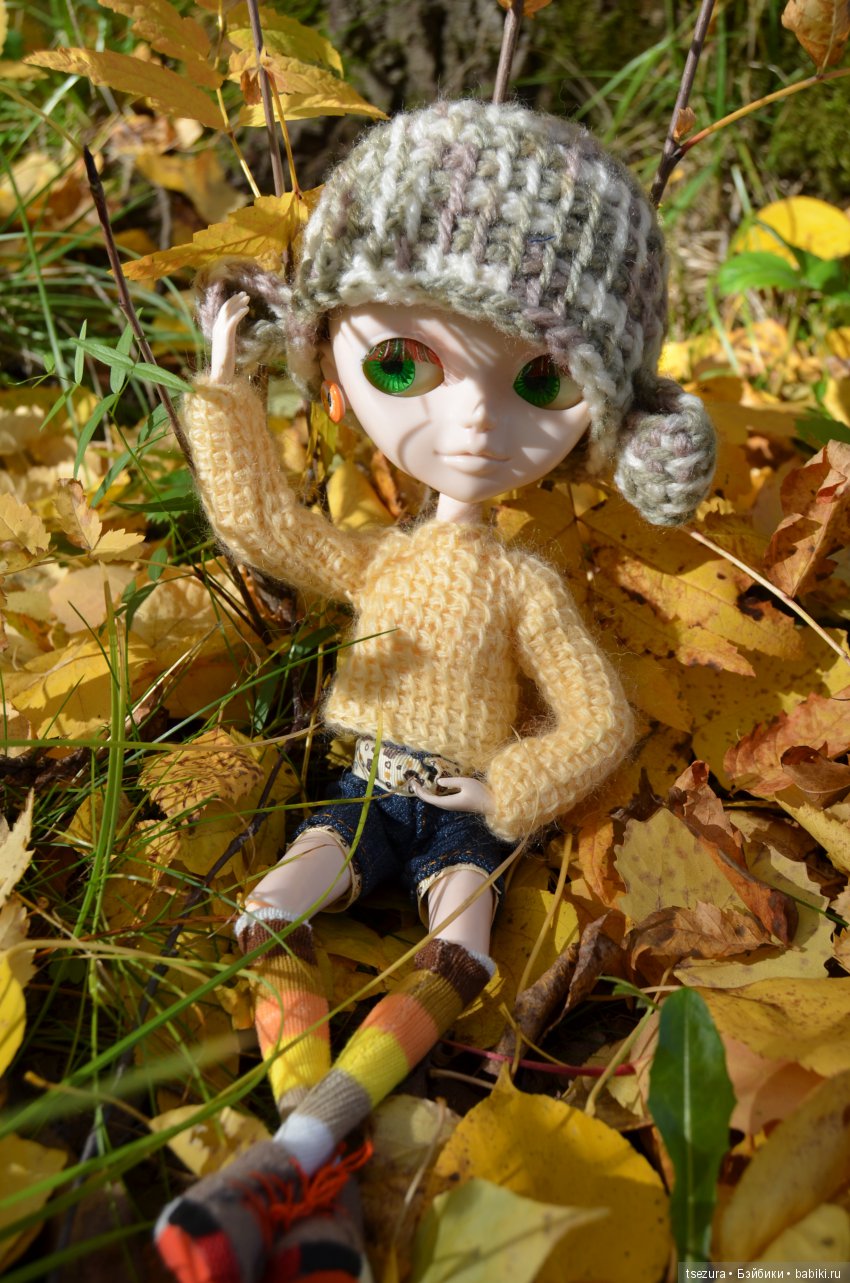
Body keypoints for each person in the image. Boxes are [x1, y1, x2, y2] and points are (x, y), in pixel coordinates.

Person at [155, 98, 716, 1283]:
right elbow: (265, 525)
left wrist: (510, 785)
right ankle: (313, 1150)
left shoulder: (522, 584)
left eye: (540, 381)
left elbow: (598, 717)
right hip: (361, 792)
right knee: (269, 912)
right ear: (336, 358)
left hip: (464, 814)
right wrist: (221, 382)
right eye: (404, 363)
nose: (469, 422)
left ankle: (292, 1153)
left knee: (458, 948)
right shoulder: (384, 558)